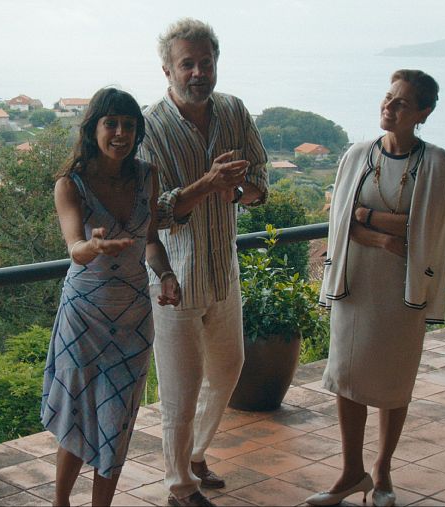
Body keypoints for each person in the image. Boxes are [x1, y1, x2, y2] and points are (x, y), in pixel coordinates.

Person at [137, 18, 268, 507]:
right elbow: (152, 215)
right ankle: (179, 487)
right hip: (173, 277)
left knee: (229, 368)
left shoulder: (233, 110)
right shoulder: (149, 127)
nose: (198, 73)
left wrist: (237, 189)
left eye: (205, 63)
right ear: (167, 70)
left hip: (222, 271)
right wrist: (207, 184)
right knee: (180, 391)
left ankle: (193, 455)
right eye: (187, 64)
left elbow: (259, 183)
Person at [306, 70, 445, 507]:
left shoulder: (435, 162)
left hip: (403, 288)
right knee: (347, 377)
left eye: (401, 103)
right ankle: (352, 471)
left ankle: (383, 470)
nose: (388, 107)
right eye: (388, 97)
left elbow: (426, 228)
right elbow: (339, 222)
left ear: (423, 113)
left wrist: (367, 217)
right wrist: (384, 237)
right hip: (356, 283)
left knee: (394, 380)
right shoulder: (357, 155)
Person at [42, 87, 182, 507]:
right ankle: (61, 502)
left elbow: (151, 240)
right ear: (93, 128)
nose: (121, 133)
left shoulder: (146, 176)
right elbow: (74, 248)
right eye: (111, 124)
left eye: (129, 125)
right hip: (83, 318)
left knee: (118, 419)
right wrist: (94, 246)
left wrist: (166, 274)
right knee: (77, 411)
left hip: (134, 317)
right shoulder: (71, 184)